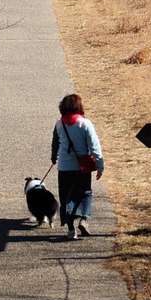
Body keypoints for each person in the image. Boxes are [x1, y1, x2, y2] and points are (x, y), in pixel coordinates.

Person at [50, 92, 104, 239]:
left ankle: (70, 230)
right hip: (82, 167)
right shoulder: (85, 123)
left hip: (64, 167)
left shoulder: (59, 124)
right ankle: (84, 220)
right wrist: (100, 166)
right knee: (85, 193)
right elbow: (94, 147)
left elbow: (55, 143)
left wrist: (54, 158)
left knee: (67, 197)